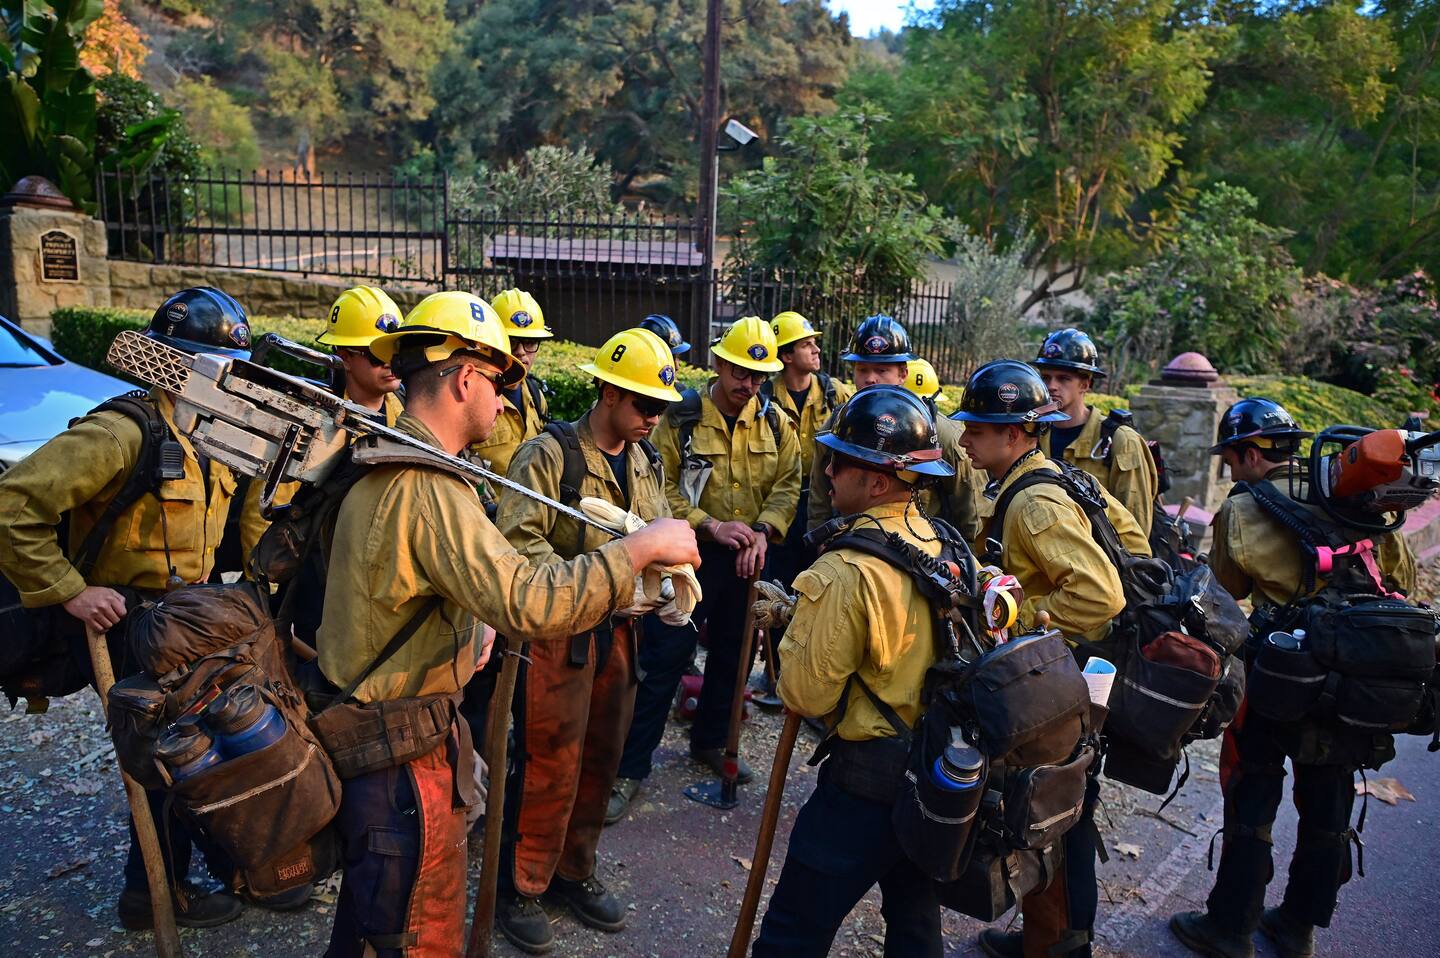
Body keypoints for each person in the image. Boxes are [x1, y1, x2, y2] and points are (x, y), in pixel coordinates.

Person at [316, 291, 700, 957]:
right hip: (397, 747)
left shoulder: (398, 464)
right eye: (498, 384)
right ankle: (522, 884)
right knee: (407, 930)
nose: (503, 403)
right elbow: (528, 596)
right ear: (465, 378)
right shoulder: (428, 488)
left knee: (375, 923)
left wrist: (472, 620)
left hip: (393, 736)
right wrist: (634, 551)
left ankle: (564, 871)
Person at [0, 287, 310, 930]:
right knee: (164, 761)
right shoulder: (121, 431)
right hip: (127, 624)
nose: (227, 381)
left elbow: (251, 515)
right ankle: (154, 894)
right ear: (176, 362)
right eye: (216, 368)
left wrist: (261, 592)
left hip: (193, 618)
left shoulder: (213, 435)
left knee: (217, 743)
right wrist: (70, 590)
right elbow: (11, 507)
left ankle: (224, 865)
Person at [1170, 398, 1415, 958]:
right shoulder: (1361, 502)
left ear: (1251, 453)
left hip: (1278, 673)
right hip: (1356, 674)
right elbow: (1399, 577)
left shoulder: (1244, 508)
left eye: (1231, 461)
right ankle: (1299, 926)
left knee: (1252, 793)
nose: (1231, 472)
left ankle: (1230, 928)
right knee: (1328, 801)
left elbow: (1226, 594)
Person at [490, 327, 682, 952]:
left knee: (602, 755)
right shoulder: (548, 456)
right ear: (605, 390)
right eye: (642, 404)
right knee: (549, 762)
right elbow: (519, 550)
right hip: (558, 637)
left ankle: (574, 869)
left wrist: (667, 581)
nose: (653, 417)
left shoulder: (647, 459)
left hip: (620, 635)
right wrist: (606, 578)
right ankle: (520, 885)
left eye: (660, 407)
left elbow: (658, 526)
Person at [751, 385, 957, 956]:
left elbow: (806, 695)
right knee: (915, 929)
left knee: (792, 932)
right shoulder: (941, 541)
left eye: (839, 460)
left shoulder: (845, 570)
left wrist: (795, 630)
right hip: (932, 780)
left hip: (865, 786)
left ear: (876, 480)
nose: (828, 470)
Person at [953, 360, 1139, 958]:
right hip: (1064, 676)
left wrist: (1014, 608)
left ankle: (1055, 945)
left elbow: (1101, 594)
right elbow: (1131, 537)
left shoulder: (1034, 503)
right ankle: (1057, 940)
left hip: (1057, 682)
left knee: (1051, 810)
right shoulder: (1041, 477)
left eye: (977, 431)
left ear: (1014, 434)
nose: (963, 441)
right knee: (1064, 807)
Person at [607, 316, 801, 820]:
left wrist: (763, 531)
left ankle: (711, 741)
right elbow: (660, 485)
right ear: (718, 362)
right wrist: (710, 525)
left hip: (748, 557)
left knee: (736, 655)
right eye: (740, 372)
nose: (749, 385)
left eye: (759, 377)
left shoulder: (777, 423)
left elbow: (788, 484)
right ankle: (630, 767)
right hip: (689, 551)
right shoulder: (682, 417)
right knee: (666, 656)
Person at [807, 315, 982, 543]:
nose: (870, 379)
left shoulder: (935, 431)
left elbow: (968, 512)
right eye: (862, 369)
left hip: (918, 554)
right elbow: (819, 495)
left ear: (903, 374)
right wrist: (821, 542)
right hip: (851, 549)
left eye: (882, 371)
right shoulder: (838, 424)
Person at [1031, 328, 1158, 532]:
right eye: (1046, 378)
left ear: (1085, 384)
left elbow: (1136, 526)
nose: (1051, 386)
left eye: (1063, 379)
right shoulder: (1032, 433)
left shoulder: (1120, 441)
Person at [761, 310, 852, 585]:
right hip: (781, 503)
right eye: (806, 344)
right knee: (780, 580)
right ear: (786, 356)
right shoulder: (764, 398)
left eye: (814, 342)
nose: (816, 349)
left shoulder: (835, 393)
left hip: (825, 499)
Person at [468, 288, 553, 478]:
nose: (521, 352)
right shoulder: (471, 396)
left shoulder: (535, 395)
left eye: (529, 342)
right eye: (512, 341)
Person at [317, 284, 405, 422]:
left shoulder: (407, 405)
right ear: (344, 358)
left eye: (397, 349)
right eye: (378, 354)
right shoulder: (319, 413)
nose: (390, 363)